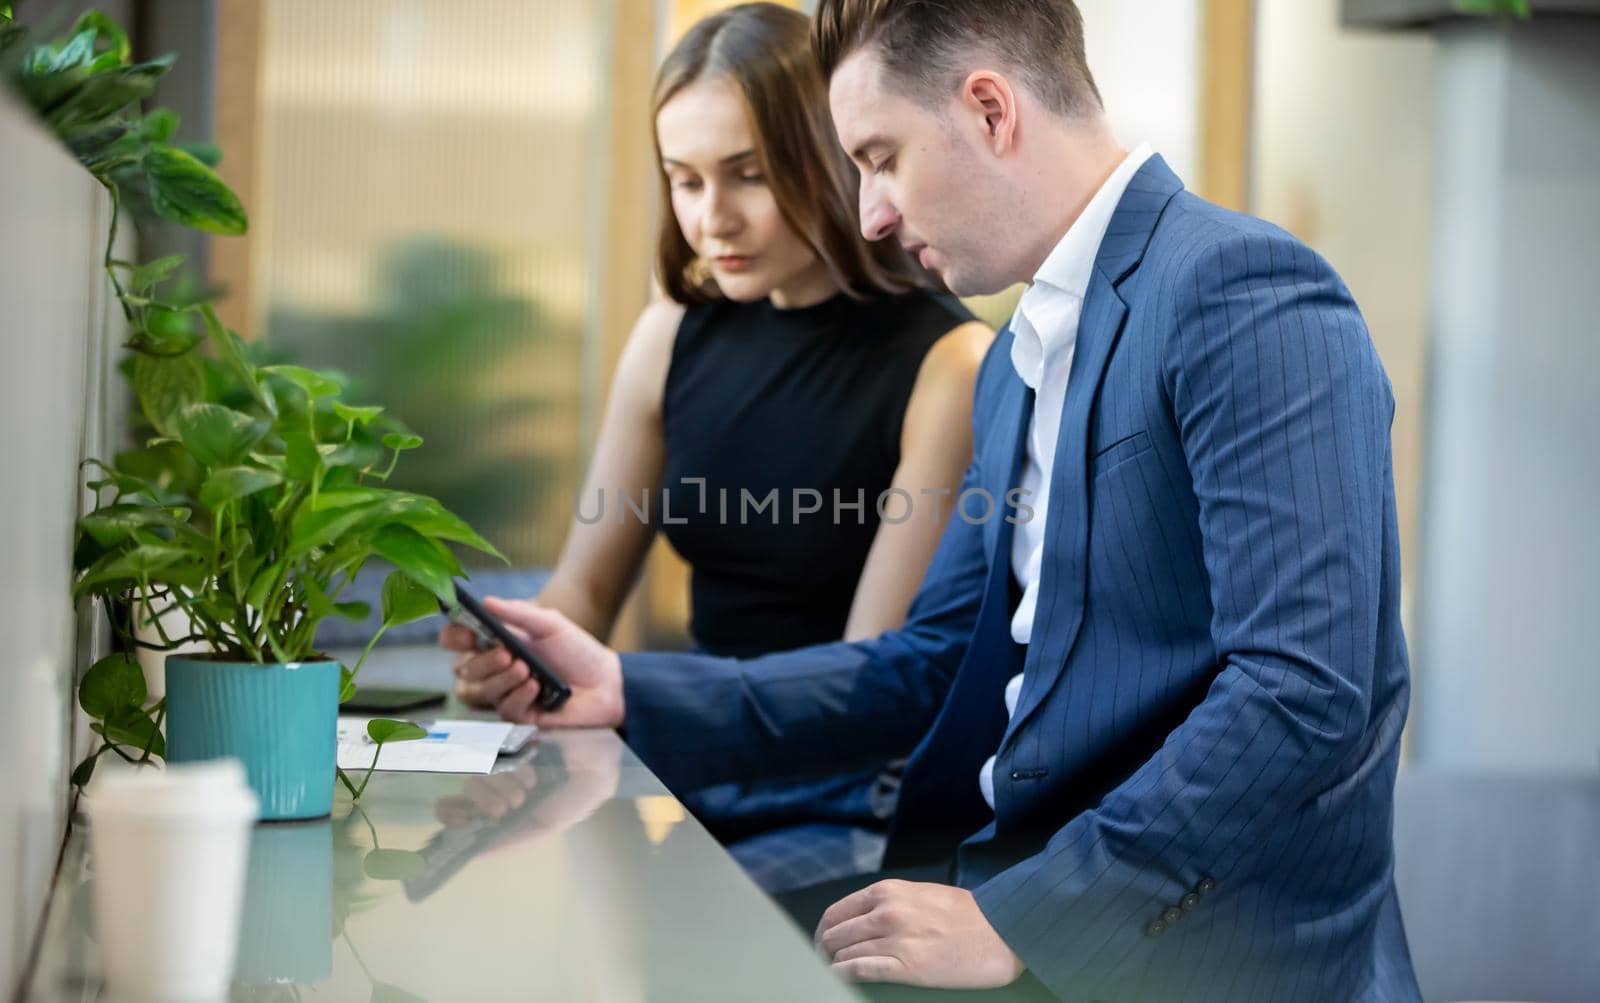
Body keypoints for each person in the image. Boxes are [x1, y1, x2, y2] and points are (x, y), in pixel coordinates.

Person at [457, 1, 1423, 1000]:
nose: (868, 211)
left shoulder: (1239, 289)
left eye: (880, 157)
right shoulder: (1015, 361)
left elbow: (1300, 691)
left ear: (991, 112)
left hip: (1193, 953)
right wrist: (626, 688)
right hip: (1017, 893)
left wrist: (1026, 916)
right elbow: (925, 669)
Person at [441, 2, 991, 895]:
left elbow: (866, 687)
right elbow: (584, 587)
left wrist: (631, 693)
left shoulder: (947, 364)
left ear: (832, 156)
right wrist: (525, 658)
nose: (713, 220)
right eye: (684, 181)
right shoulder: (671, 337)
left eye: (749, 176)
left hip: (843, 805)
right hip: (686, 778)